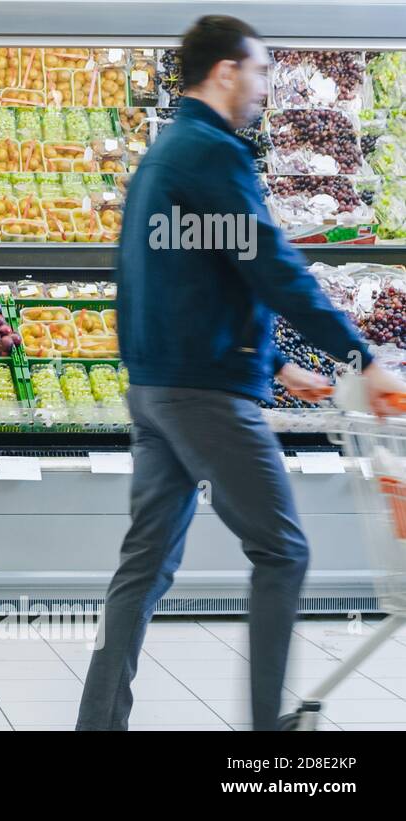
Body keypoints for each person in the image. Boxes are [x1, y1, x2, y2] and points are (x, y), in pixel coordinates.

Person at [76, 16, 406, 731]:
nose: (263, 88)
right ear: (226, 71)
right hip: (205, 394)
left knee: (144, 567)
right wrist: (360, 359)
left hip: (159, 388)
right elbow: (273, 265)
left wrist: (279, 361)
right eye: (258, 72)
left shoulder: (167, 154)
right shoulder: (211, 153)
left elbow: (194, 272)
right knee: (283, 551)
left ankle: (97, 724)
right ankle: (267, 736)